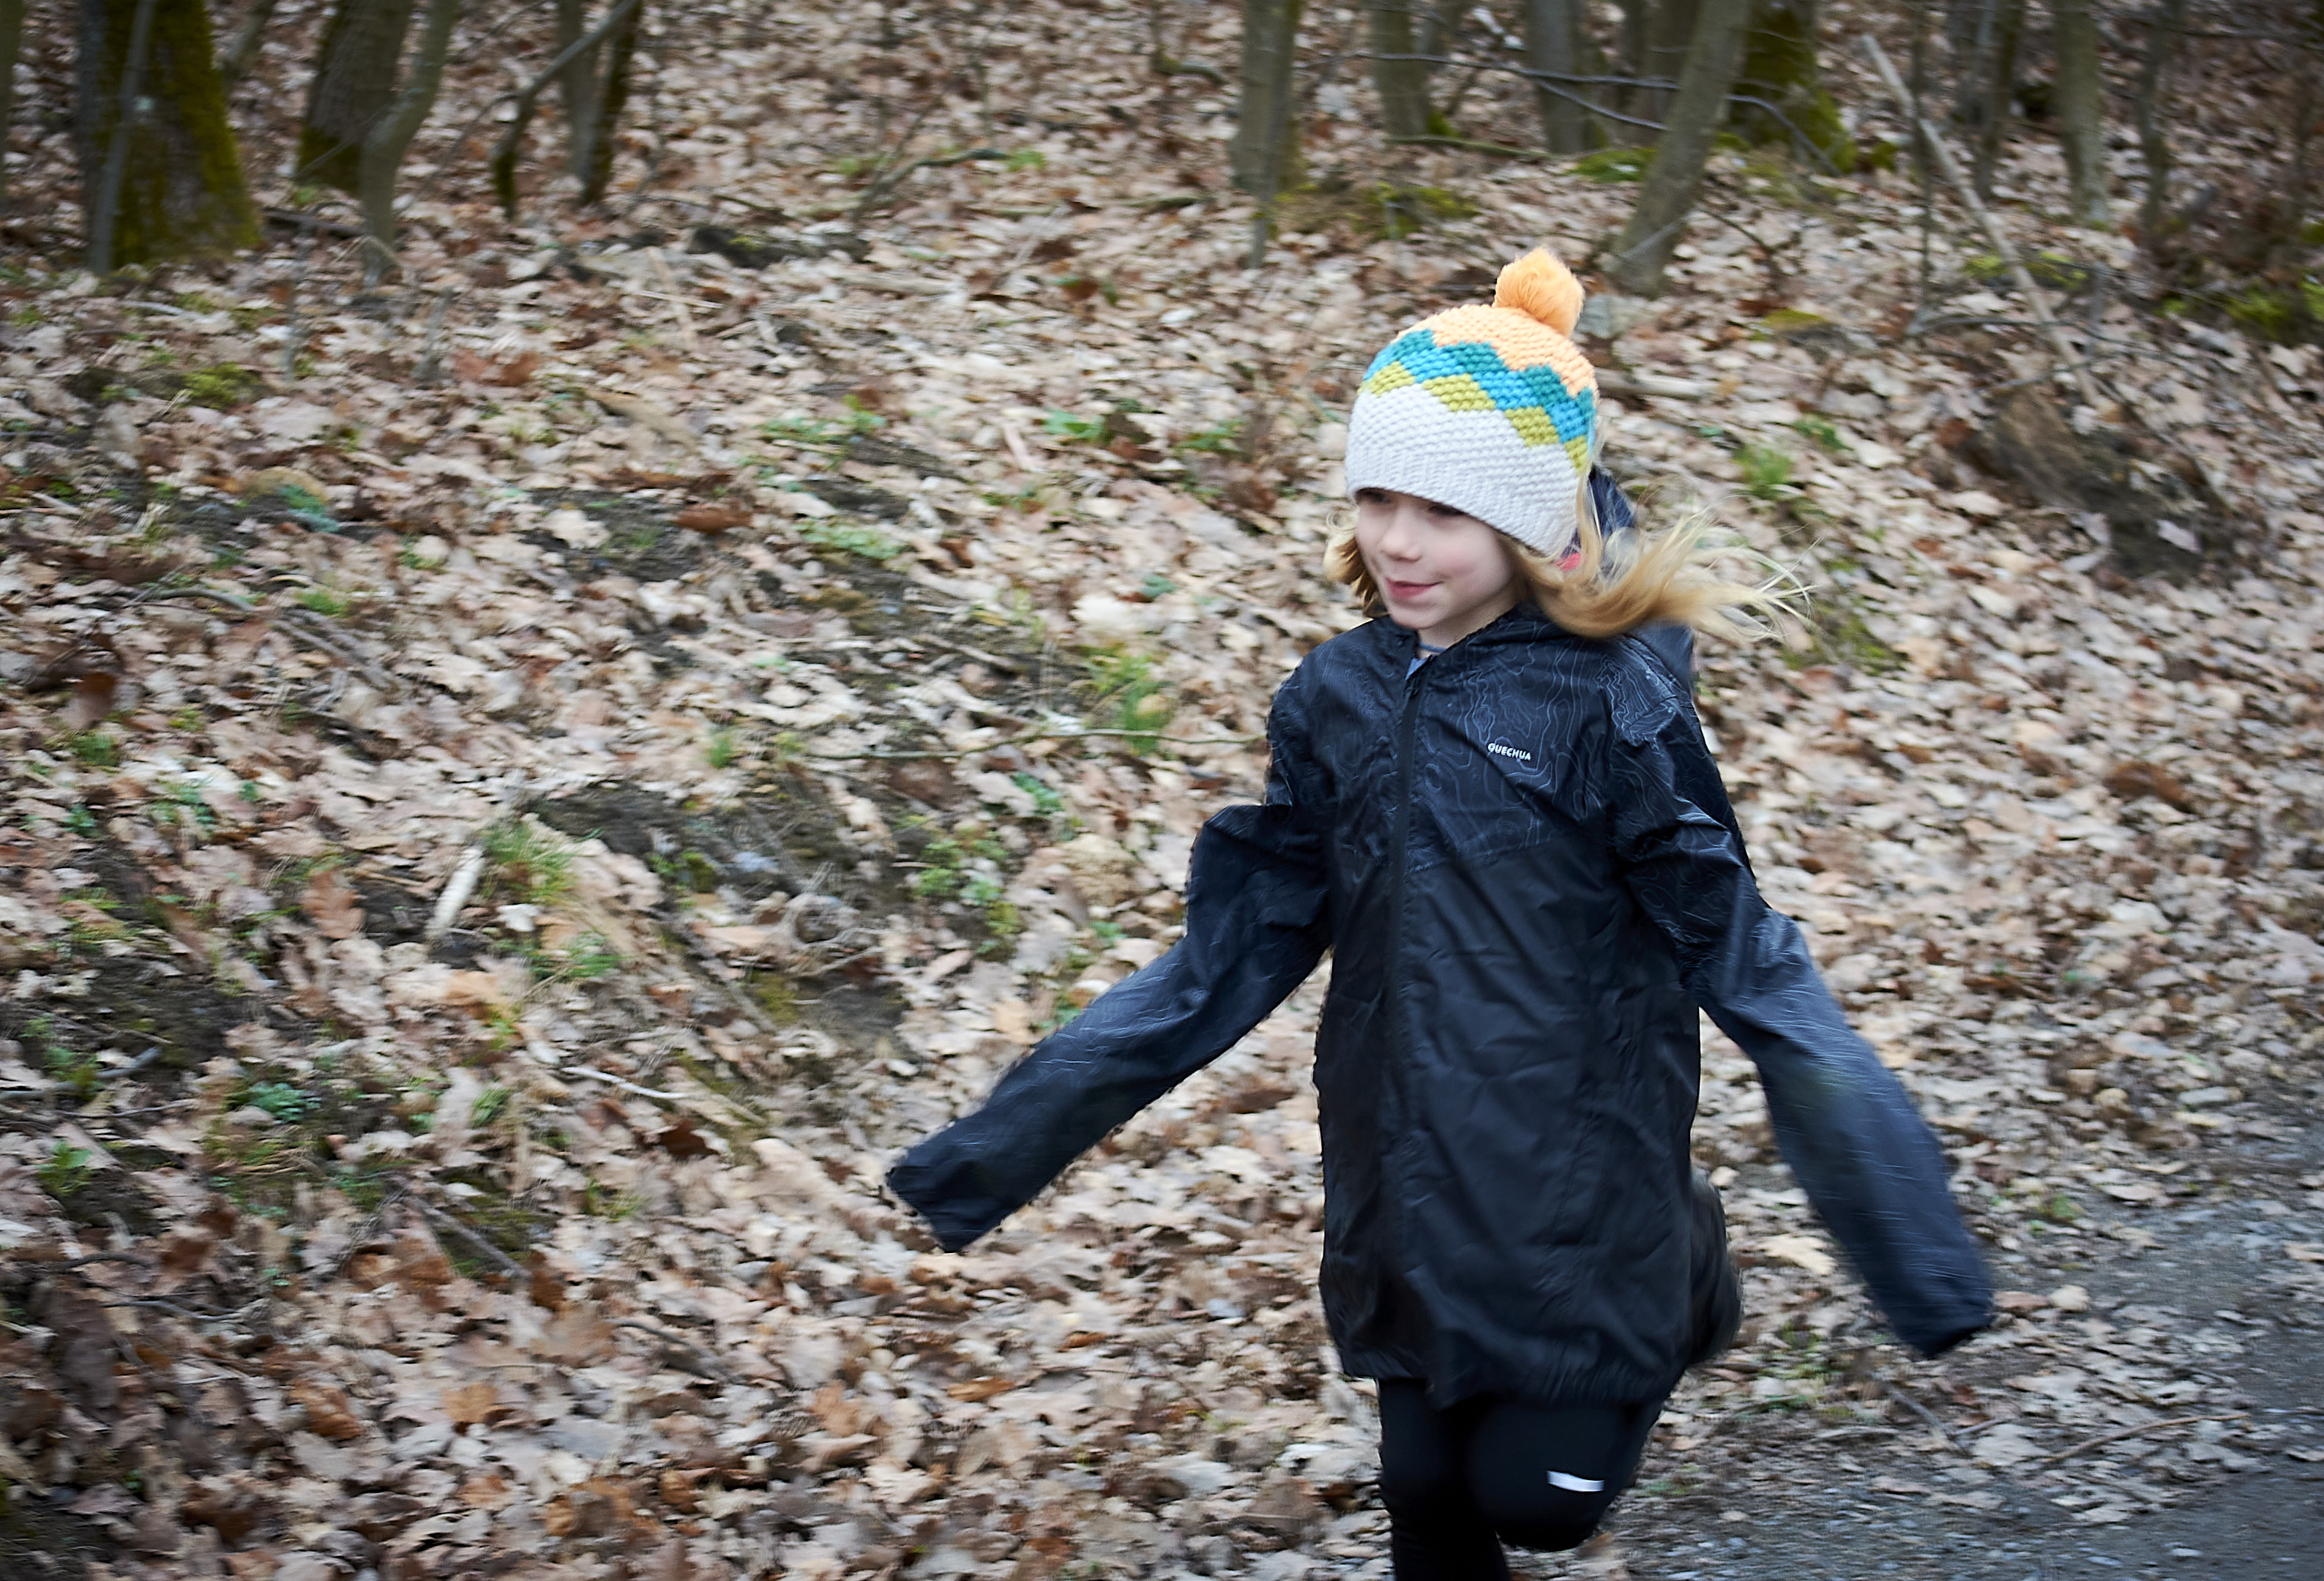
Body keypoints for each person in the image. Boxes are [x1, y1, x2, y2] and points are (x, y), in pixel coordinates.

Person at [888, 250, 1992, 1578]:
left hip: (1583, 1188)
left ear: (1527, 523)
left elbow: (1750, 962)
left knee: (1538, 1501)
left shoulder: (1611, 706)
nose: (1398, 541)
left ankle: (1684, 1270)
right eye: (1377, 498)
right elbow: (1226, 961)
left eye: (1443, 511)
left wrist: (1909, 1244)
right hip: (1402, 1174)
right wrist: (997, 1148)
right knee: (1422, 1487)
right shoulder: (1335, 699)